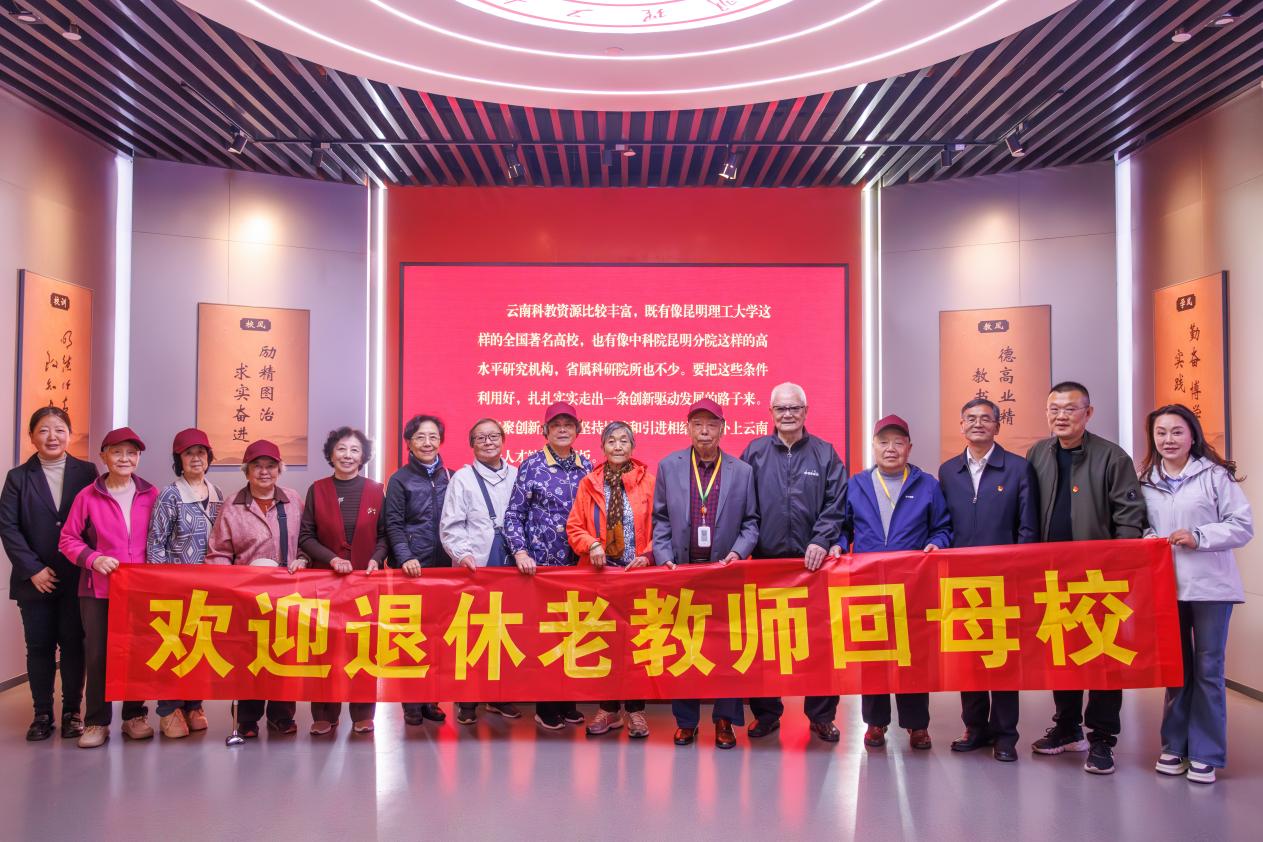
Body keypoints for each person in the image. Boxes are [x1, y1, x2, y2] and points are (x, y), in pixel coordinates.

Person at [1026, 381, 1146, 774]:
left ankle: (1102, 739)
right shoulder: (1038, 453)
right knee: (1063, 653)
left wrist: (1120, 567)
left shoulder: (1112, 457)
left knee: (1103, 656)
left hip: (1099, 577)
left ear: (1088, 413)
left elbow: (1130, 517)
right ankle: (1067, 728)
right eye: (1054, 409)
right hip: (1053, 575)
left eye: (1070, 409)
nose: (1061, 416)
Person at [1139, 404, 1252, 785]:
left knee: (1207, 669)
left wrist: (1200, 536)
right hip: (1166, 589)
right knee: (1176, 669)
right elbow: (1140, 526)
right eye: (1161, 433)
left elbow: (1242, 525)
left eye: (1176, 432)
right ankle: (1174, 745)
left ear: (1192, 436)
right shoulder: (1145, 480)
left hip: (1210, 587)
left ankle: (1205, 752)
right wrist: (1148, 540)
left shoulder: (1215, 476)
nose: (1168, 440)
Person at [740, 382, 847, 742]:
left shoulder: (825, 454)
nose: (788, 414)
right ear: (770, 413)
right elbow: (742, 505)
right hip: (765, 565)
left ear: (805, 411)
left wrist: (821, 539)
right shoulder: (754, 453)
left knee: (821, 644)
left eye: (794, 408)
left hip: (813, 566)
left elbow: (836, 503)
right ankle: (767, 714)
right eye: (781, 409)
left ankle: (821, 716)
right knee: (763, 645)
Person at [652, 398, 759, 750]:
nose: (704, 431)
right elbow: (661, 519)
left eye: (711, 425)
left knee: (727, 649)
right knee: (685, 647)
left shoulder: (742, 471)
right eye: (697, 424)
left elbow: (751, 523)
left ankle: (725, 720)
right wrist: (664, 558)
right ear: (688, 428)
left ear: (723, 429)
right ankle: (686, 722)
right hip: (682, 572)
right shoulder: (669, 466)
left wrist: (737, 553)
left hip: (725, 573)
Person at [937, 398, 1038, 762]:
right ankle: (975, 727)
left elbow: (1028, 527)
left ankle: (1006, 734)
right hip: (962, 581)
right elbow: (943, 524)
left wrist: (1020, 569)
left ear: (998, 426)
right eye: (971, 418)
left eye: (985, 419)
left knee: (1004, 659)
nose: (978, 424)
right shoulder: (948, 471)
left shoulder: (1018, 468)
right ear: (961, 425)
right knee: (970, 658)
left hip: (1005, 580)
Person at [844, 414, 951, 751]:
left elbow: (943, 528)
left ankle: (917, 725)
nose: (891, 448)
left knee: (913, 655)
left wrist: (938, 543)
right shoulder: (856, 484)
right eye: (883, 442)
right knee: (873, 655)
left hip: (913, 586)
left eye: (898, 442)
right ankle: (875, 723)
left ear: (909, 448)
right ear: (873, 446)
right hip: (868, 585)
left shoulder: (927, 485)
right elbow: (843, 528)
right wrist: (836, 544)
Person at [58, 427, 159, 748]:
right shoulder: (88, 496)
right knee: (99, 654)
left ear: (138, 458)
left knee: (137, 652)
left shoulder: (151, 494)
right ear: (104, 456)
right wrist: (93, 559)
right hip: (98, 589)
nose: (124, 458)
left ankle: (135, 716)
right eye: (117, 452)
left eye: (131, 453)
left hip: (140, 590)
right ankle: (96, 722)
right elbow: (68, 539)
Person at [0, 408, 97, 742]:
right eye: (43, 430)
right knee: (39, 646)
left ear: (70, 434)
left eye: (59, 429)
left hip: (75, 576)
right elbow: (8, 527)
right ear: (31, 437)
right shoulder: (18, 477)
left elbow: (95, 520)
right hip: (34, 580)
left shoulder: (87, 472)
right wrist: (33, 569)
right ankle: (42, 714)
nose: (52, 437)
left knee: (73, 644)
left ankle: (72, 712)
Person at [504, 402, 594, 731]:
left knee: (573, 632)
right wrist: (520, 552)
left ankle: (568, 702)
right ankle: (546, 707)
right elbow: (514, 515)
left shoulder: (587, 466)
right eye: (556, 425)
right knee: (546, 637)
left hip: (579, 566)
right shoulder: (531, 466)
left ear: (578, 430)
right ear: (545, 431)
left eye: (568, 424)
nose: (562, 430)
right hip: (541, 569)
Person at [205, 439, 302, 739]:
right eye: (257, 466)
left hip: (286, 594)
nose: (264, 472)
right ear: (246, 470)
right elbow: (218, 553)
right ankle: (246, 719)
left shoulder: (293, 501)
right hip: (246, 596)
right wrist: (231, 586)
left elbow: (306, 541)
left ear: (279, 469)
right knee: (248, 656)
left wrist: (303, 559)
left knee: (284, 653)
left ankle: (282, 715)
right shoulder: (232, 505)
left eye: (270, 466)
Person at [566, 421, 655, 739]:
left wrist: (648, 554)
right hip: (602, 577)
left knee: (637, 644)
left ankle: (636, 711)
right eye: (611, 441)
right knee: (606, 642)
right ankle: (608, 709)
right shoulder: (589, 483)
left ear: (633, 446)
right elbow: (575, 526)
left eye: (624, 441)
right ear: (602, 447)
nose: (618, 446)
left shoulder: (649, 482)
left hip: (637, 574)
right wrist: (591, 545)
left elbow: (662, 525)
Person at [297, 427, 387, 736]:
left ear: (363, 456)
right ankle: (324, 713)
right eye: (342, 449)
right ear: (331, 454)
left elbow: (385, 535)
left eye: (354, 450)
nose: (348, 455)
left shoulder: (376, 490)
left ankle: (362, 713)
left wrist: (376, 558)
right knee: (324, 647)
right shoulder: (318, 490)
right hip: (326, 580)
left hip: (365, 580)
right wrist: (332, 559)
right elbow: (306, 536)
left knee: (363, 645)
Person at [439, 417, 522, 724]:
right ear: (471, 444)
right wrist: (463, 555)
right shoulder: (462, 479)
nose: (488, 442)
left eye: (493, 436)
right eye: (480, 438)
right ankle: (467, 701)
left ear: (503, 440)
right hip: (475, 567)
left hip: (512, 564)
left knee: (507, 631)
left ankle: (500, 697)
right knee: (472, 633)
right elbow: (451, 525)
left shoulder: (518, 475)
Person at [145, 428, 224, 739]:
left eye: (201, 453)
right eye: (189, 453)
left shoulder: (217, 494)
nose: (196, 458)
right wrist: (160, 584)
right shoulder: (170, 495)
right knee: (173, 648)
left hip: (209, 588)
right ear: (179, 459)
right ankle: (168, 709)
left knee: (200, 646)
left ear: (209, 457)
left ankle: (194, 706)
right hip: (175, 588)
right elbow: (156, 543)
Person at [384, 413, 452, 726]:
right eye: (420, 437)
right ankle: (411, 702)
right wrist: (405, 556)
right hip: (412, 568)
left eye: (433, 437)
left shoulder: (451, 477)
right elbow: (393, 524)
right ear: (409, 443)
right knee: (411, 636)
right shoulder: (399, 480)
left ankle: (431, 699)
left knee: (438, 636)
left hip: (445, 568)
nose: (427, 442)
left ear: (440, 441)